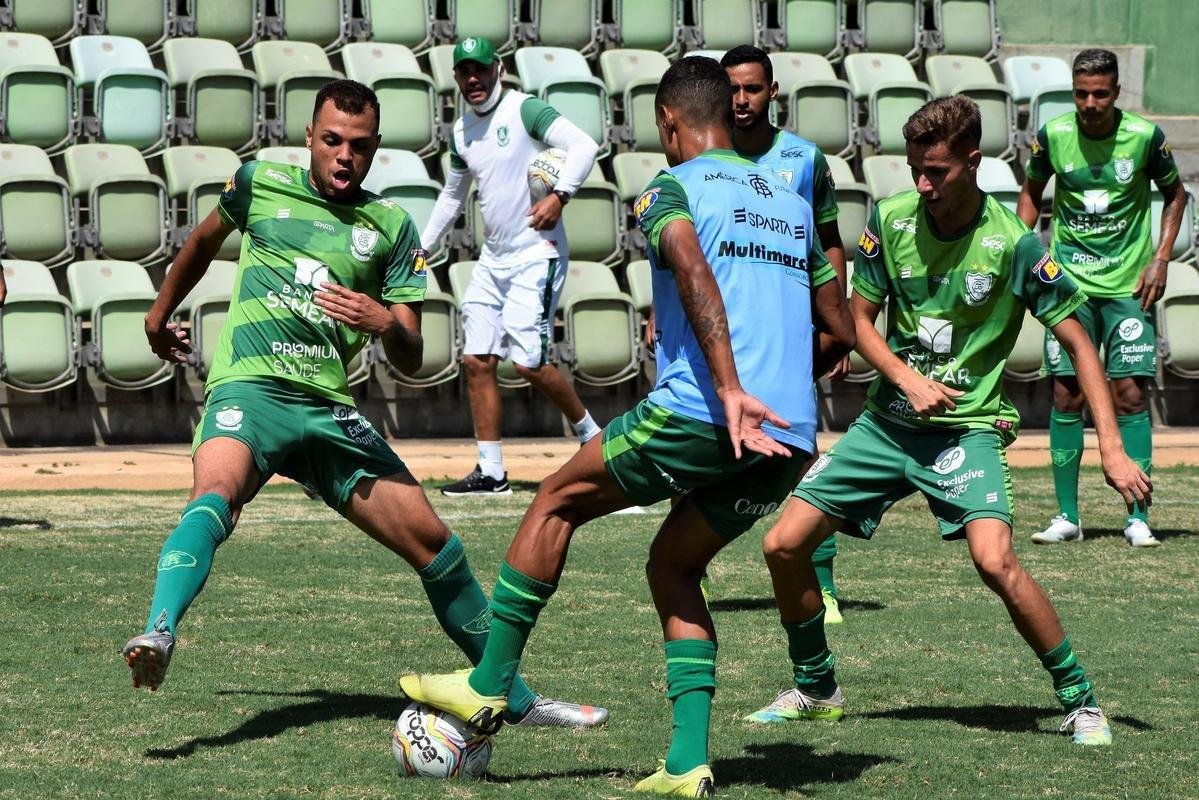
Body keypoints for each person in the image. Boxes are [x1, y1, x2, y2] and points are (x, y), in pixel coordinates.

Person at [401, 56, 855, 796]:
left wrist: (732, 387)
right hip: (787, 438)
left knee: (555, 501)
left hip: (706, 412)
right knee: (673, 565)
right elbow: (837, 318)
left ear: (669, 123)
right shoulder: (788, 202)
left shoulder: (668, 188)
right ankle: (685, 763)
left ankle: (486, 685)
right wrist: (891, 374)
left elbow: (689, 262)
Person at [121, 80, 607, 729]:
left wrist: (385, 323)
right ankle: (158, 631)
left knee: (437, 544)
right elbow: (205, 240)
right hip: (252, 388)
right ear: (309, 139)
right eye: (331, 141)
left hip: (329, 411)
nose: (344, 155)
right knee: (216, 495)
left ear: (375, 149)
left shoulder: (390, 228)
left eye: (358, 145)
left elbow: (412, 354)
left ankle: (514, 698)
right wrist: (158, 315)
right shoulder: (257, 183)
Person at [745, 97, 1151, 747]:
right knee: (782, 545)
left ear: (973, 161)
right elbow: (857, 321)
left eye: (936, 171)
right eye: (914, 170)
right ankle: (816, 688)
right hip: (888, 425)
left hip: (966, 431)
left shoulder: (1013, 244)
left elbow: (1077, 343)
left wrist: (1111, 446)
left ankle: (1079, 701)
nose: (922, 185)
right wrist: (903, 377)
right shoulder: (891, 218)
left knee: (995, 561)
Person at [419, 37, 602, 496]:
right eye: (464, 72)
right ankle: (492, 470)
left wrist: (561, 196)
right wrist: (421, 247)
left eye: (480, 69)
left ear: (497, 68)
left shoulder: (525, 110)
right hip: (493, 260)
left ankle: (594, 439)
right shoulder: (461, 131)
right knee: (477, 360)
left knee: (529, 363)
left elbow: (585, 144)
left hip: (536, 253)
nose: (473, 79)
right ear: (456, 77)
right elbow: (451, 195)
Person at [1018, 48, 1186, 547]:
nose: (1090, 103)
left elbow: (1177, 195)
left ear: (1117, 92)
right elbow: (1030, 194)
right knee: (1066, 393)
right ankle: (1067, 517)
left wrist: (1160, 258)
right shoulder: (1052, 137)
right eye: (1081, 93)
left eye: (1100, 93)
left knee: (1130, 394)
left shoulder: (1144, 137)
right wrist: (1021, 251)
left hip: (1128, 286)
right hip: (1068, 287)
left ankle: (1138, 516)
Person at [721, 43, 851, 624]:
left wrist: (837, 322)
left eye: (751, 88)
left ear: (773, 92)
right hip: (727, 327)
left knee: (801, 451)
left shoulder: (803, 159)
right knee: (708, 444)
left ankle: (820, 585)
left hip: (791, 325)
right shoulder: (710, 155)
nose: (740, 99)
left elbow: (828, 240)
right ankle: (688, 573)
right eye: (732, 89)